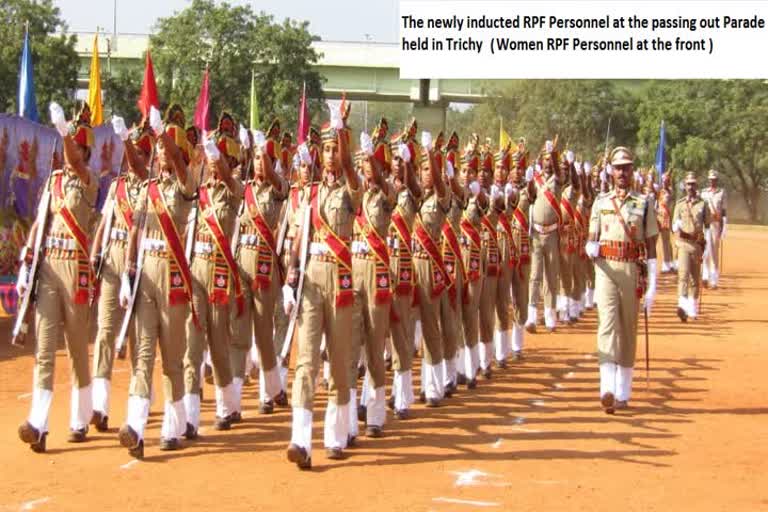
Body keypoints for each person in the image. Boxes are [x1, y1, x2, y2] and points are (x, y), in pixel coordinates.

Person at [17, 102, 98, 452]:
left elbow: (78, 165)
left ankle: (80, 418)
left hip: (76, 269)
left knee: (78, 348)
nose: (71, 153)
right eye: (70, 145)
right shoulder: (53, 180)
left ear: (85, 151)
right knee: (45, 347)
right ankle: (39, 422)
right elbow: (40, 221)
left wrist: (63, 131)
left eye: (77, 146)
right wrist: (26, 258)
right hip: (49, 266)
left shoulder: (89, 180)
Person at [283, 113, 361, 470]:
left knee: (341, 360)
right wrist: (290, 276)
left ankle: (334, 435)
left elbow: (348, 167)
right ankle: (300, 440)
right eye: (325, 149)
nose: (329, 156)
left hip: (342, 278)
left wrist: (341, 134)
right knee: (306, 360)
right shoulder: (310, 194)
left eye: (334, 149)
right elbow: (300, 236)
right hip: (312, 277)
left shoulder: (350, 188)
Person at [117, 106, 196, 459]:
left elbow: (179, 163)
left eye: (166, 147)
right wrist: (128, 269)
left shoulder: (185, 183)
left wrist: (164, 132)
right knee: (143, 353)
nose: (162, 152)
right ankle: (134, 425)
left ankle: (173, 426)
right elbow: (134, 227)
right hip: (145, 273)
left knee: (173, 359)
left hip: (173, 274)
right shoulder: (147, 186)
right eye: (159, 148)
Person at [182, 113, 244, 437]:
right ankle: (190, 417)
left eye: (221, 156)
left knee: (219, 344)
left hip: (220, 272)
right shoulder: (198, 189)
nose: (213, 162)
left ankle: (226, 405)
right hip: (196, 271)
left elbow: (227, 178)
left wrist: (215, 157)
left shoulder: (235, 190)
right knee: (192, 344)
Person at [88, 117, 151, 432]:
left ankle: (136, 405)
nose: (133, 157)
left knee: (140, 336)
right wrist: (95, 252)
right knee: (105, 330)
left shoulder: (152, 188)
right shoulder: (116, 185)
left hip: (140, 266)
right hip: (113, 261)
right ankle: (99, 406)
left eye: (140, 151)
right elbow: (104, 222)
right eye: (132, 151)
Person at [586, 146, 658, 413]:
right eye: (617, 168)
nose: (622, 172)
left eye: (626, 167)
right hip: (605, 269)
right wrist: (589, 247)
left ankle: (623, 392)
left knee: (628, 329)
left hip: (630, 268)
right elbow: (592, 236)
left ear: (632, 171)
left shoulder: (643, 203)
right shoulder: (601, 201)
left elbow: (651, 246)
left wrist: (653, 285)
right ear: (611, 171)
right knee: (606, 324)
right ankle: (606, 387)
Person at [230, 125, 289, 418]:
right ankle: (233, 402)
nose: (257, 163)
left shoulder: (278, 189)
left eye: (262, 158)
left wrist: (263, 149)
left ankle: (270, 391)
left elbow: (274, 178)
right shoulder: (243, 190)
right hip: (242, 264)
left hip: (266, 267)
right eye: (254, 158)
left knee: (264, 333)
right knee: (239, 334)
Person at [348, 134, 395, 439]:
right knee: (351, 345)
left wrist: (375, 159)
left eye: (373, 162)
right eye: (365, 161)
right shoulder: (353, 194)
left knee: (375, 346)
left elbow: (389, 190)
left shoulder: (387, 194)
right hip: (353, 271)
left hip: (377, 272)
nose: (367, 166)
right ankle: (351, 412)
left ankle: (376, 413)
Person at [412, 132, 452, 406]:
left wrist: (430, 156)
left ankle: (434, 387)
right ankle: (401, 391)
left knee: (430, 327)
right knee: (401, 327)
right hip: (405, 263)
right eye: (424, 169)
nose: (427, 174)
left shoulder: (441, 195)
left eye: (431, 170)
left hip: (428, 264)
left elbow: (438, 183)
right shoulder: (411, 196)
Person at [386, 132, 421, 419]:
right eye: (394, 158)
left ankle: (402, 396)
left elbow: (417, 190)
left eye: (401, 159)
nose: (397, 163)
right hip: (378, 265)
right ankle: (369, 397)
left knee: (401, 333)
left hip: (402, 269)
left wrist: (410, 166)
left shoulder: (411, 192)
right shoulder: (380, 189)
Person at [526, 141, 562, 333]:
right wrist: (529, 182)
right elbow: (530, 197)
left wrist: (554, 154)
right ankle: (531, 317)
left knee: (551, 276)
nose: (548, 162)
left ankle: (550, 317)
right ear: (540, 161)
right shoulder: (536, 178)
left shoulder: (557, 179)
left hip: (553, 234)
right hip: (536, 235)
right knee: (535, 276)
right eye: (545, 159)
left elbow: (558, 170)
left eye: (550, 160)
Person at [672, 172, 710, 321]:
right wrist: (676, 226)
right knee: (683, 275)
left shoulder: (702, 204)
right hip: (683, 244)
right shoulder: (680, 204)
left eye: (693, 184)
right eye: (688, 184)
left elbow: (707, 225)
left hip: (697, 245)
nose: (690, 187)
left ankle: (692, 309)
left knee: (694, 278)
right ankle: (682, 306)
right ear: (684, 186)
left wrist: (706, 244)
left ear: (696, 185)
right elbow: (674, 225)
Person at [508, 147, 533, 359]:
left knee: (520, 295)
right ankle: (501, 347)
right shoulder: (499, 191)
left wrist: (531, 180)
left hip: (522, 244)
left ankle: (517, 344)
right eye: (513, 168)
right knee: (501, 296)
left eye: (520, 168)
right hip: (504, 245)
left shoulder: (527, 191)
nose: (516, 172)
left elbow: (532, 196)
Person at [700, 169, 727, 289]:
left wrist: (725, 226)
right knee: (705, 251)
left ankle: (714, 279)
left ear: (717, 180)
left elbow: (724, 211)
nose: (712, 182)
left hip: (716, 224)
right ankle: (705, 276)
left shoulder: (721, 193)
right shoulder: (703, 193)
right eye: (711, 180)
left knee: (714, 252)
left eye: (714, 180)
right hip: (705, 225)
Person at [656, 173, 676, 273]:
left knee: (666, 242)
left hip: (666, 218)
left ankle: (667, 264)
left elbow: (670, 204)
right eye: (663, 181)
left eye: (666, 181)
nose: (664, 182)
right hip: (659, 217)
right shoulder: (660, 191)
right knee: (664, 242)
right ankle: (670, 263)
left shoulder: (670, 192)